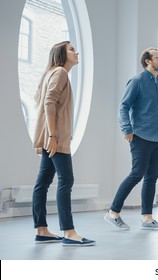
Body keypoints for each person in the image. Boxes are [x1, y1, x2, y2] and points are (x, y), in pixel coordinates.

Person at [32, 41, 95, 246]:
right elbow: (49, 102)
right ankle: (69, 232)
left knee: (42, 184)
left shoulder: (50, 72)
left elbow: (43, 102)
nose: (76, 52)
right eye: (71, 49)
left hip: (51, 136)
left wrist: (45, 135)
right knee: (66, 181)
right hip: (56, 138)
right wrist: (52, 136)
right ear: (61, 53)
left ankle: (41, 230)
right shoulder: (60, 73)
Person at [104, 48, 158, 231]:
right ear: (148, 61)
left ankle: (147, 218)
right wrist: (127, 129)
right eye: (157, 57)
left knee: (151, 178)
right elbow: (123, 107)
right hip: (140, 136)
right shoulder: (137, 81)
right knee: (136, 175)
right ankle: (112, 213)